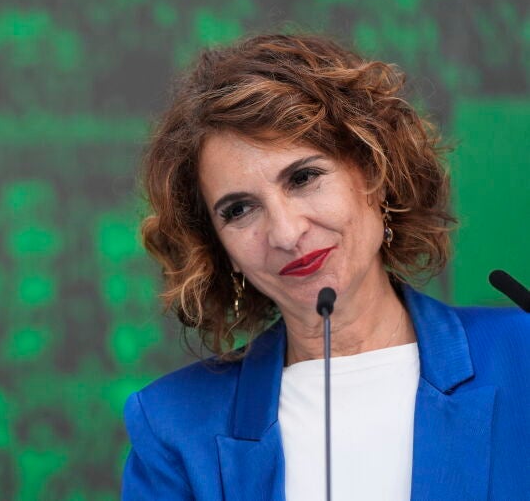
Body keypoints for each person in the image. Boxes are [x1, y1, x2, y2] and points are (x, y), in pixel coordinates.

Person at [121, 33, 530, 501]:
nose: (286, 233)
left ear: (375, 171)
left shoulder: (522, 356)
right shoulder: (174, 425)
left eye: (303, 178)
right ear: (218, 246)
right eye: (239, 210)